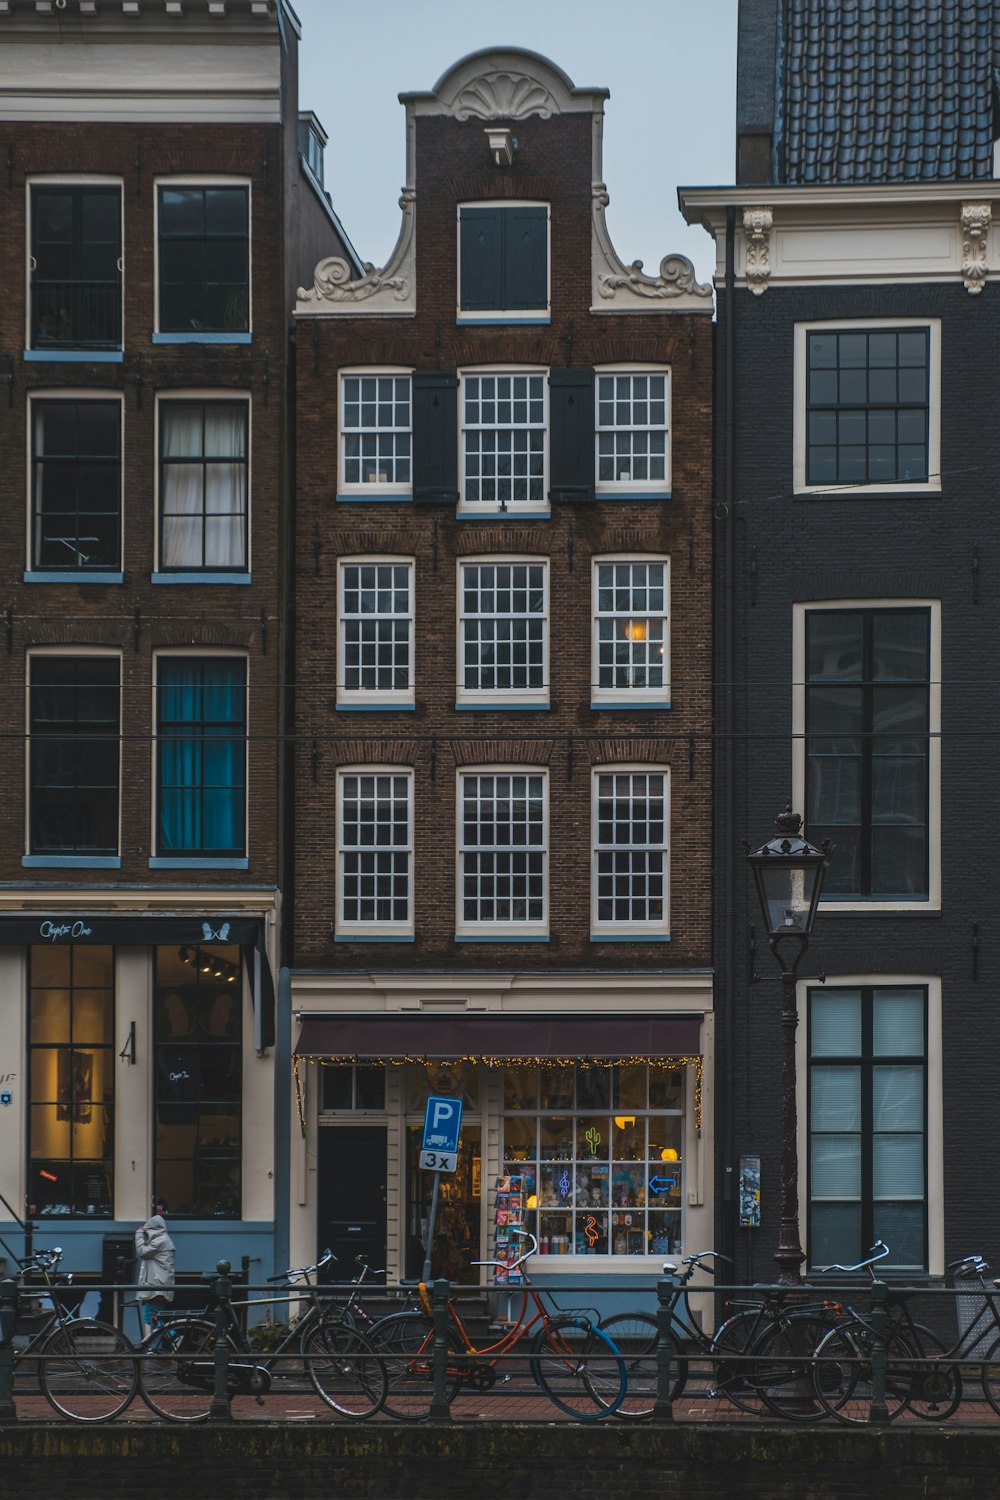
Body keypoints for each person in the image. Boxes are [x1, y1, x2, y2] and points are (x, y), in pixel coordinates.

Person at [135, 1201, 175, 1327]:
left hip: (156, 1288)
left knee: (152, 1318)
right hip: (158, 1287)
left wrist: (139, 1234)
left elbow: (142, 1252)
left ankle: (172, 1337)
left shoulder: (160, 1241)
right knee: (152, 1318)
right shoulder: (163, 1240)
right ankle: (168, 1338)